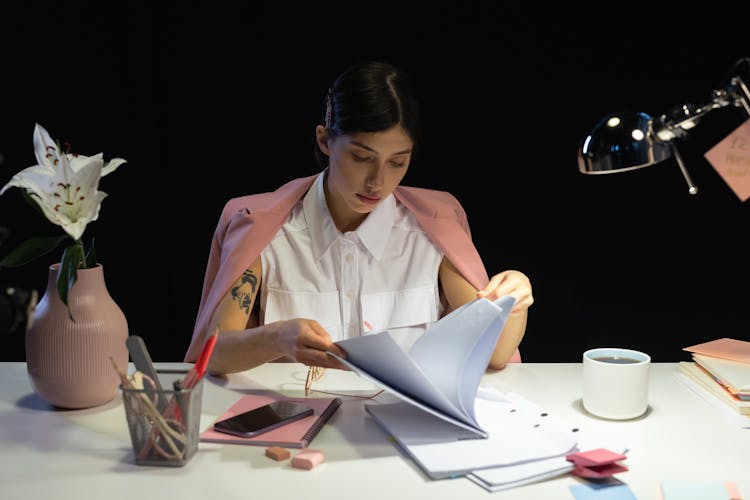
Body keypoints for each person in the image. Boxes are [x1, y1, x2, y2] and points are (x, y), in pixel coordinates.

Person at [184, 61, 533, 376]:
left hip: (406, 427)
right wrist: (277, 337)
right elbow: (212, 353)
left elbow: (494, 354)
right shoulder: (262, 227)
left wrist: (515, 300)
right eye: (361, 157)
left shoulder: (435, 227)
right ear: (325, 140)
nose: (377, 181)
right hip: (293, 425)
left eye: (397, 162)